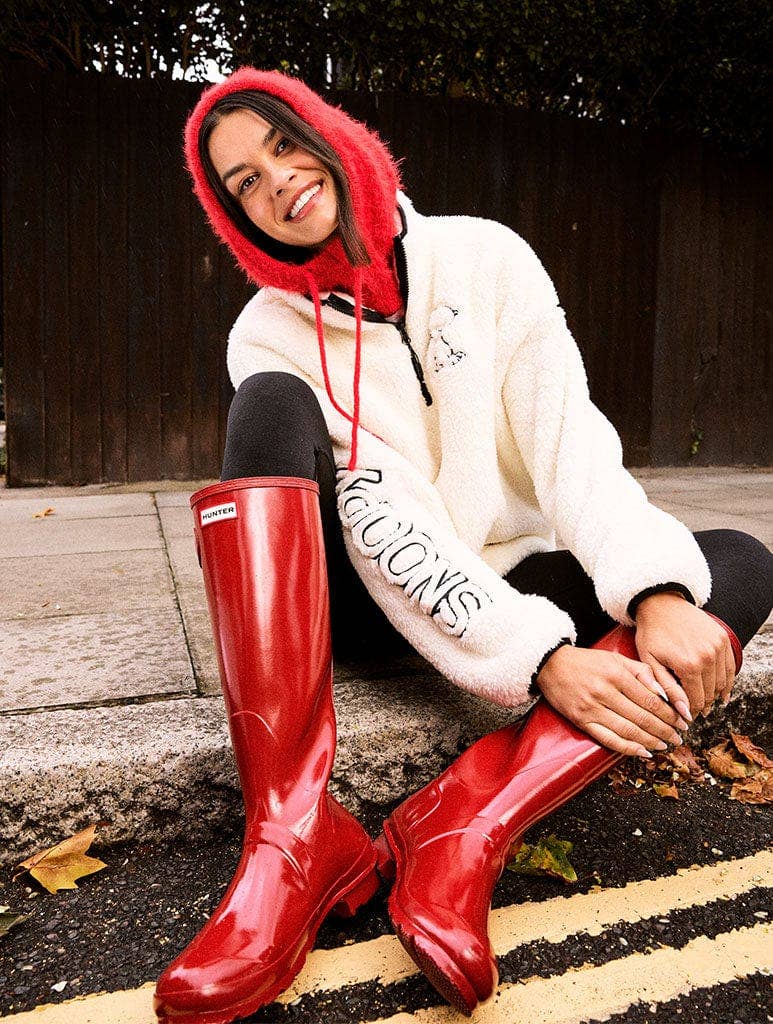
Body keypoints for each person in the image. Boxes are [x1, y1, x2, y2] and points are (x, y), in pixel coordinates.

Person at [153, 67, 773, 1024]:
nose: (276, 180)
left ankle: (465, 822)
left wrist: (652, 595)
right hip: (369, 592)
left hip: (512, 573)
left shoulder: (487, 257)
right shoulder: (266, 334)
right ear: (237, 218)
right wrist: (543, 659)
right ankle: (292, 835)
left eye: (283, 145)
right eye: (244, 182)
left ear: (331, 136)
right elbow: (381, 520)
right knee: (269, 407)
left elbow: (571, 447)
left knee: (734, 564)